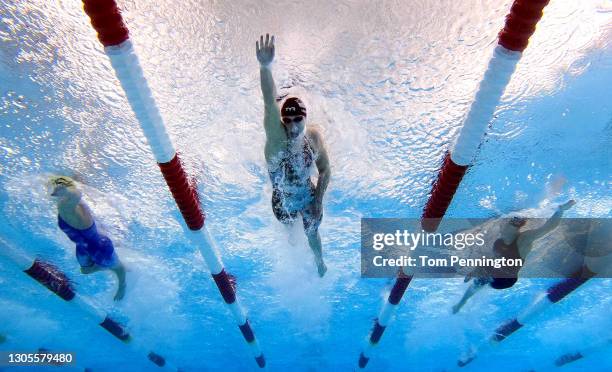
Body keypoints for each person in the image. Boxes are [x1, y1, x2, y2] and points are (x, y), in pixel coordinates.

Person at [256, 34, 331, 277]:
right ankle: (292, 241)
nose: (293, 125)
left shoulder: (314, 138)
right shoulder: (277, 141)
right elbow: (269, 104)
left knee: (312, 232)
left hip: (308, 196)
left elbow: (325, 170)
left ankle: (319, 261)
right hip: (283, 201)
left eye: (298, 119)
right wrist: (265, 67)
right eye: (287, 120)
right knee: (291, 234)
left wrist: (318, 200)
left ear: (306, 117)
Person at [452, 200, 576, 314]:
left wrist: (459, 304)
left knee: (504, 235)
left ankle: (516, 216)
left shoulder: (492, 272)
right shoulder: (520, 247)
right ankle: (526, 213)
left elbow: (473, 289)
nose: (486, 276)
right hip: (513, 247)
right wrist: (561, 210)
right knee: (520, 233)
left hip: (503, 246)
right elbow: (546, 229)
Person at [49, 176, 127, 300]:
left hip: (99, 247)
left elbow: (76, 194)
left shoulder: (68, 209)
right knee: (85, 271)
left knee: (116, 268)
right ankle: (105, 264)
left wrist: (67, 191)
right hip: (83, 245)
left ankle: (122, 283)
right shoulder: (66, 206)